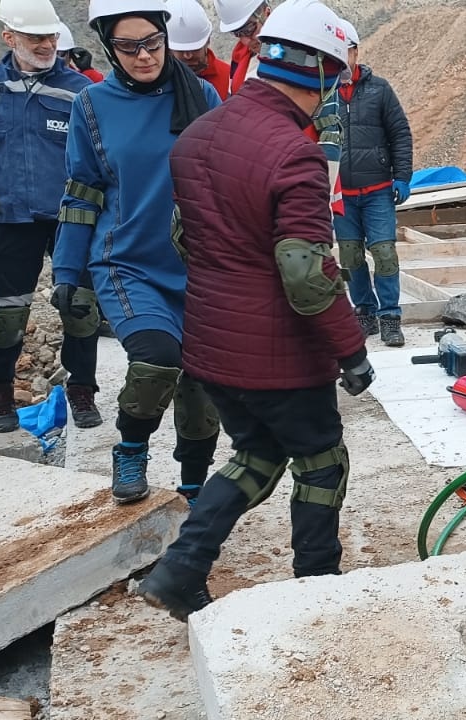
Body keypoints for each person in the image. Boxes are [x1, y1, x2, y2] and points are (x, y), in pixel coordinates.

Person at [139, 0, 374, 620]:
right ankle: (317, 583)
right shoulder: (291, 154)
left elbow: (184, 237)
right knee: (321, 459)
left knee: (257, 456)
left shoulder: (199, 135)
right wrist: (351, 349)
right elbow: (306, 276)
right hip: (277, 356)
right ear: (319, 72)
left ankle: (180, 569)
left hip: (213, 345)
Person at [53, 0, 222, 505]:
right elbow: (82, 191)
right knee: (157, 358)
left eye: (152, 42)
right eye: (129, 47)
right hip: (126, 261)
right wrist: (68, 270)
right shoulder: (91, 105)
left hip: (198, 265)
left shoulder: (203, 95)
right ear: (109, 46)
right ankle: (130, 448)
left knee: (203, 382)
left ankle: (193, 485)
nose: (144, 56)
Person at [0, 0, 102, 433]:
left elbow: (106, 151)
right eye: (36, 38)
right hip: (10, 217)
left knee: (80, 306)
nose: (47, 44)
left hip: (70, 217)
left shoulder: (80, 89)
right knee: (10, 312)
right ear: (9, 37)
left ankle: (82, 390)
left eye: (51, 36)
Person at [332, 18, 412, 347]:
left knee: (384, 252)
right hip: (341, 195)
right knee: (350, 256)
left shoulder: (380, 90)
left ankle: (390, 316)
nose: (341, 60)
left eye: (345, 53)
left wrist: (403, 177)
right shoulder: (323, 94)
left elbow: (400, 134)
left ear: (355, 52)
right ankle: (364, 311)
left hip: (377, 190)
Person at [165, 0, 229, 99]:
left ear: (207, 40)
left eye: (195, 48)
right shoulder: (159, 85)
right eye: (180, 50)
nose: (188, 56)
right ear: (168, 49)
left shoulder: (228, 76)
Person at [214, 0, 266, 95]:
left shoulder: (295, 49)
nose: (245, 41)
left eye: (249, 30)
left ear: (266, 13)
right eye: (238, 34)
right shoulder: (239, 59)